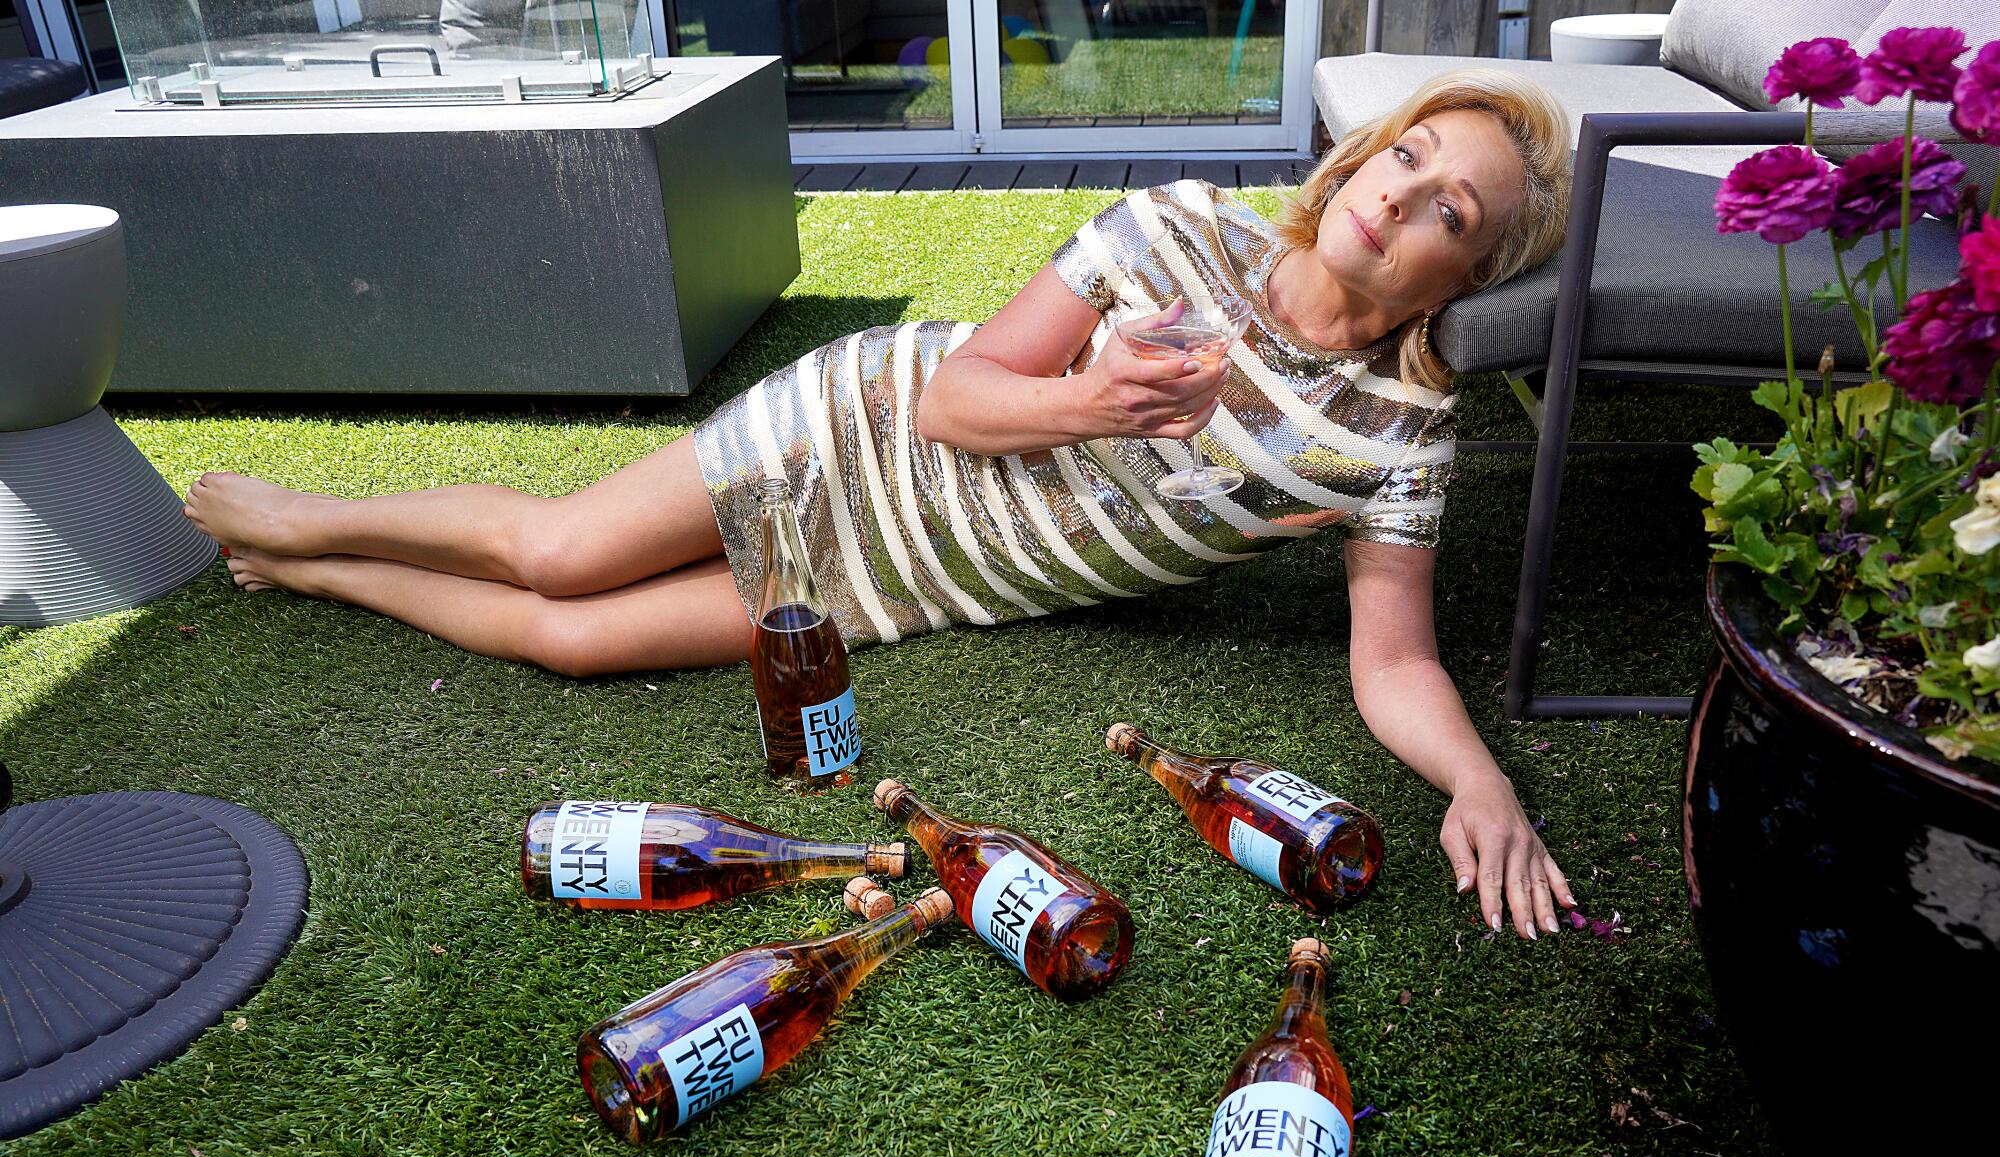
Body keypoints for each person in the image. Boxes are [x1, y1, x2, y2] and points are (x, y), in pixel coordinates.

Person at [183, 70, 1578, 940]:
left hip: (908, 582)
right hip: (856, 433)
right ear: (1361, 157)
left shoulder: (1394, 436)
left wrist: (1476, 778)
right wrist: (1096, 405)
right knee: (558, 549)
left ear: (1464, 278)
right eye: (1409, 158)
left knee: (576, 641)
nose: (1405, 200)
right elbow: (953, 400)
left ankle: (321, 576)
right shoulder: (1175, 228)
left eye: (1454, 211)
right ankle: (312, 515)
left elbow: (1392, 657)